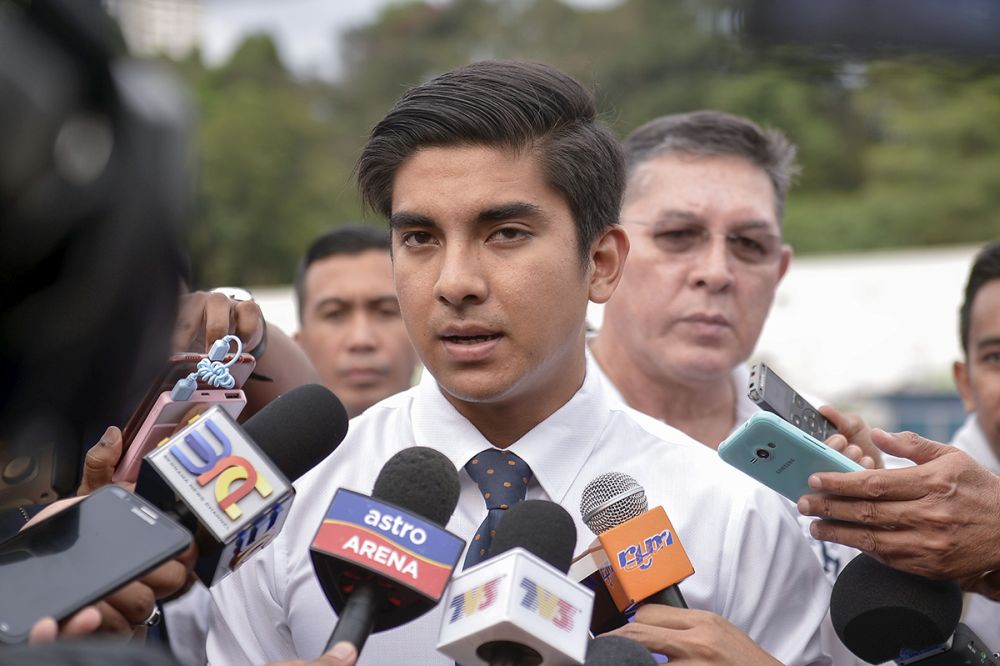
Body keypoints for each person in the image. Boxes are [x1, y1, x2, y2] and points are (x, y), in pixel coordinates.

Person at [206, 61, 832, 665]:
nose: (455, 283)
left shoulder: (733, 513)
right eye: (420, 239)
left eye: (505, 233)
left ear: (603, 263)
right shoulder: (289, 504)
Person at [293, 225, 420, 417]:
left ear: (420, 335)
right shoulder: (247, 446)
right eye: (334, 314)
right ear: (299, 344)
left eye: (386, 312)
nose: (361, 340)